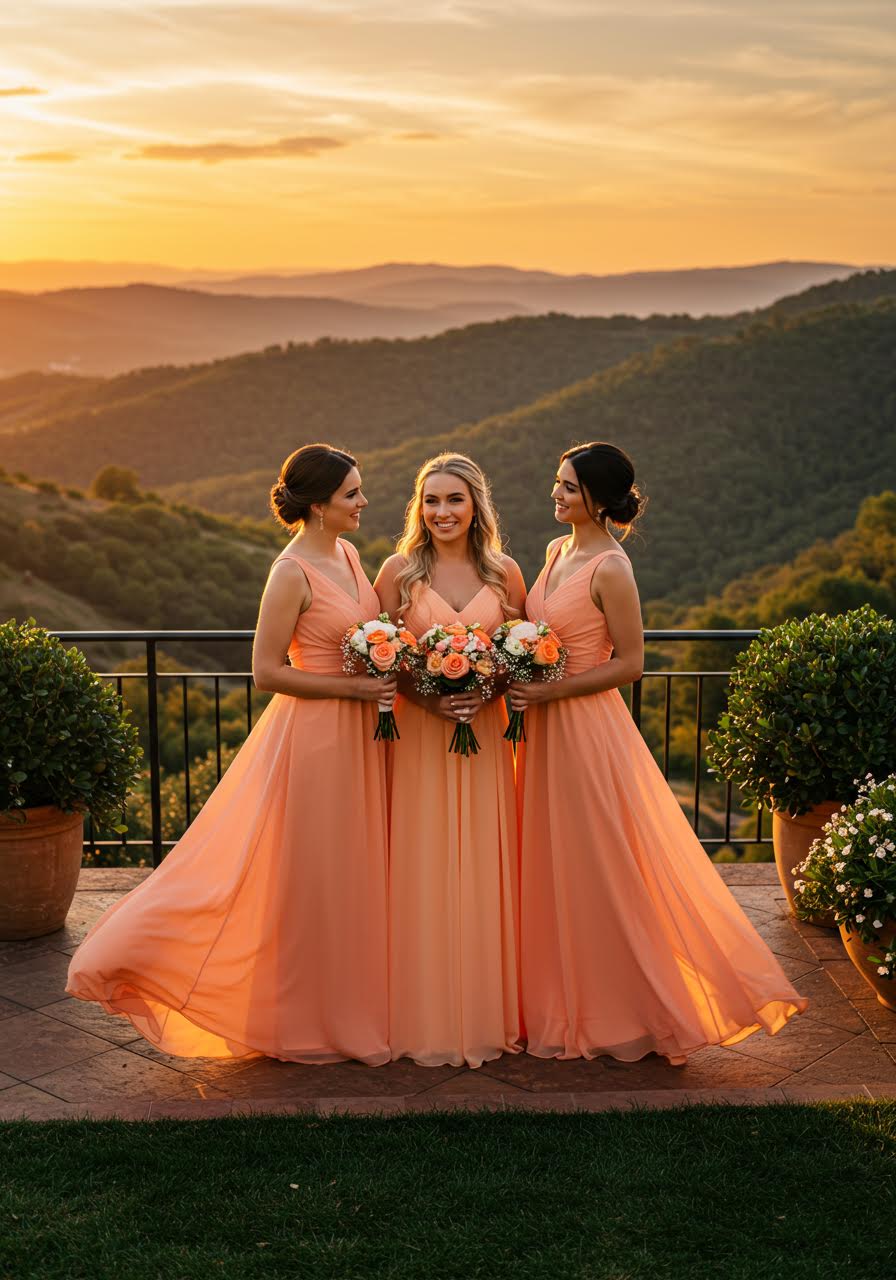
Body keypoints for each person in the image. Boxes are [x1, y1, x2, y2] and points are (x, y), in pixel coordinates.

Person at [67, 444, 394, 1064]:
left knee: (351, 877)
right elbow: (266, 672)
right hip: (316, 741)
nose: (363, 502)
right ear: (319, 505)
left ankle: (350, 1007)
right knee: (311, 881)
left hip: (362, 738)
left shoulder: (349, 555)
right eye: (352, 493)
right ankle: (290, 1016)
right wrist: (354, 686)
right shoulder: (290, 573)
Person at [511, 441, 808, 1064]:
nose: (555, 494)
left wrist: (549, 688)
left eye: (567, 486)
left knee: (598, 865)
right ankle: (549, 999)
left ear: (596, 498)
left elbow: (631, 663)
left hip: (586, 731)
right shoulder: (554, 550)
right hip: (538, 731)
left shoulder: (612, 567)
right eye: (556, 483)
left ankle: (621, 1009)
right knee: (546, 861)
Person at [375, 453, 525, 1067]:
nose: (442, 512)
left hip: (485, 737)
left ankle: (484, 1011)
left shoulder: (505, 572)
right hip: (419, 741)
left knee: (483, 865)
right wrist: (428, 700)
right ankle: (421, 1015)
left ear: (475, 505)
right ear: (418, 507)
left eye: (454, 500)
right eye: (431, 501)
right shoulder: (398, 571)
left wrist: (483, 692)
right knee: (422, 863)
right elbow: (380, 653)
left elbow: (521, 651)